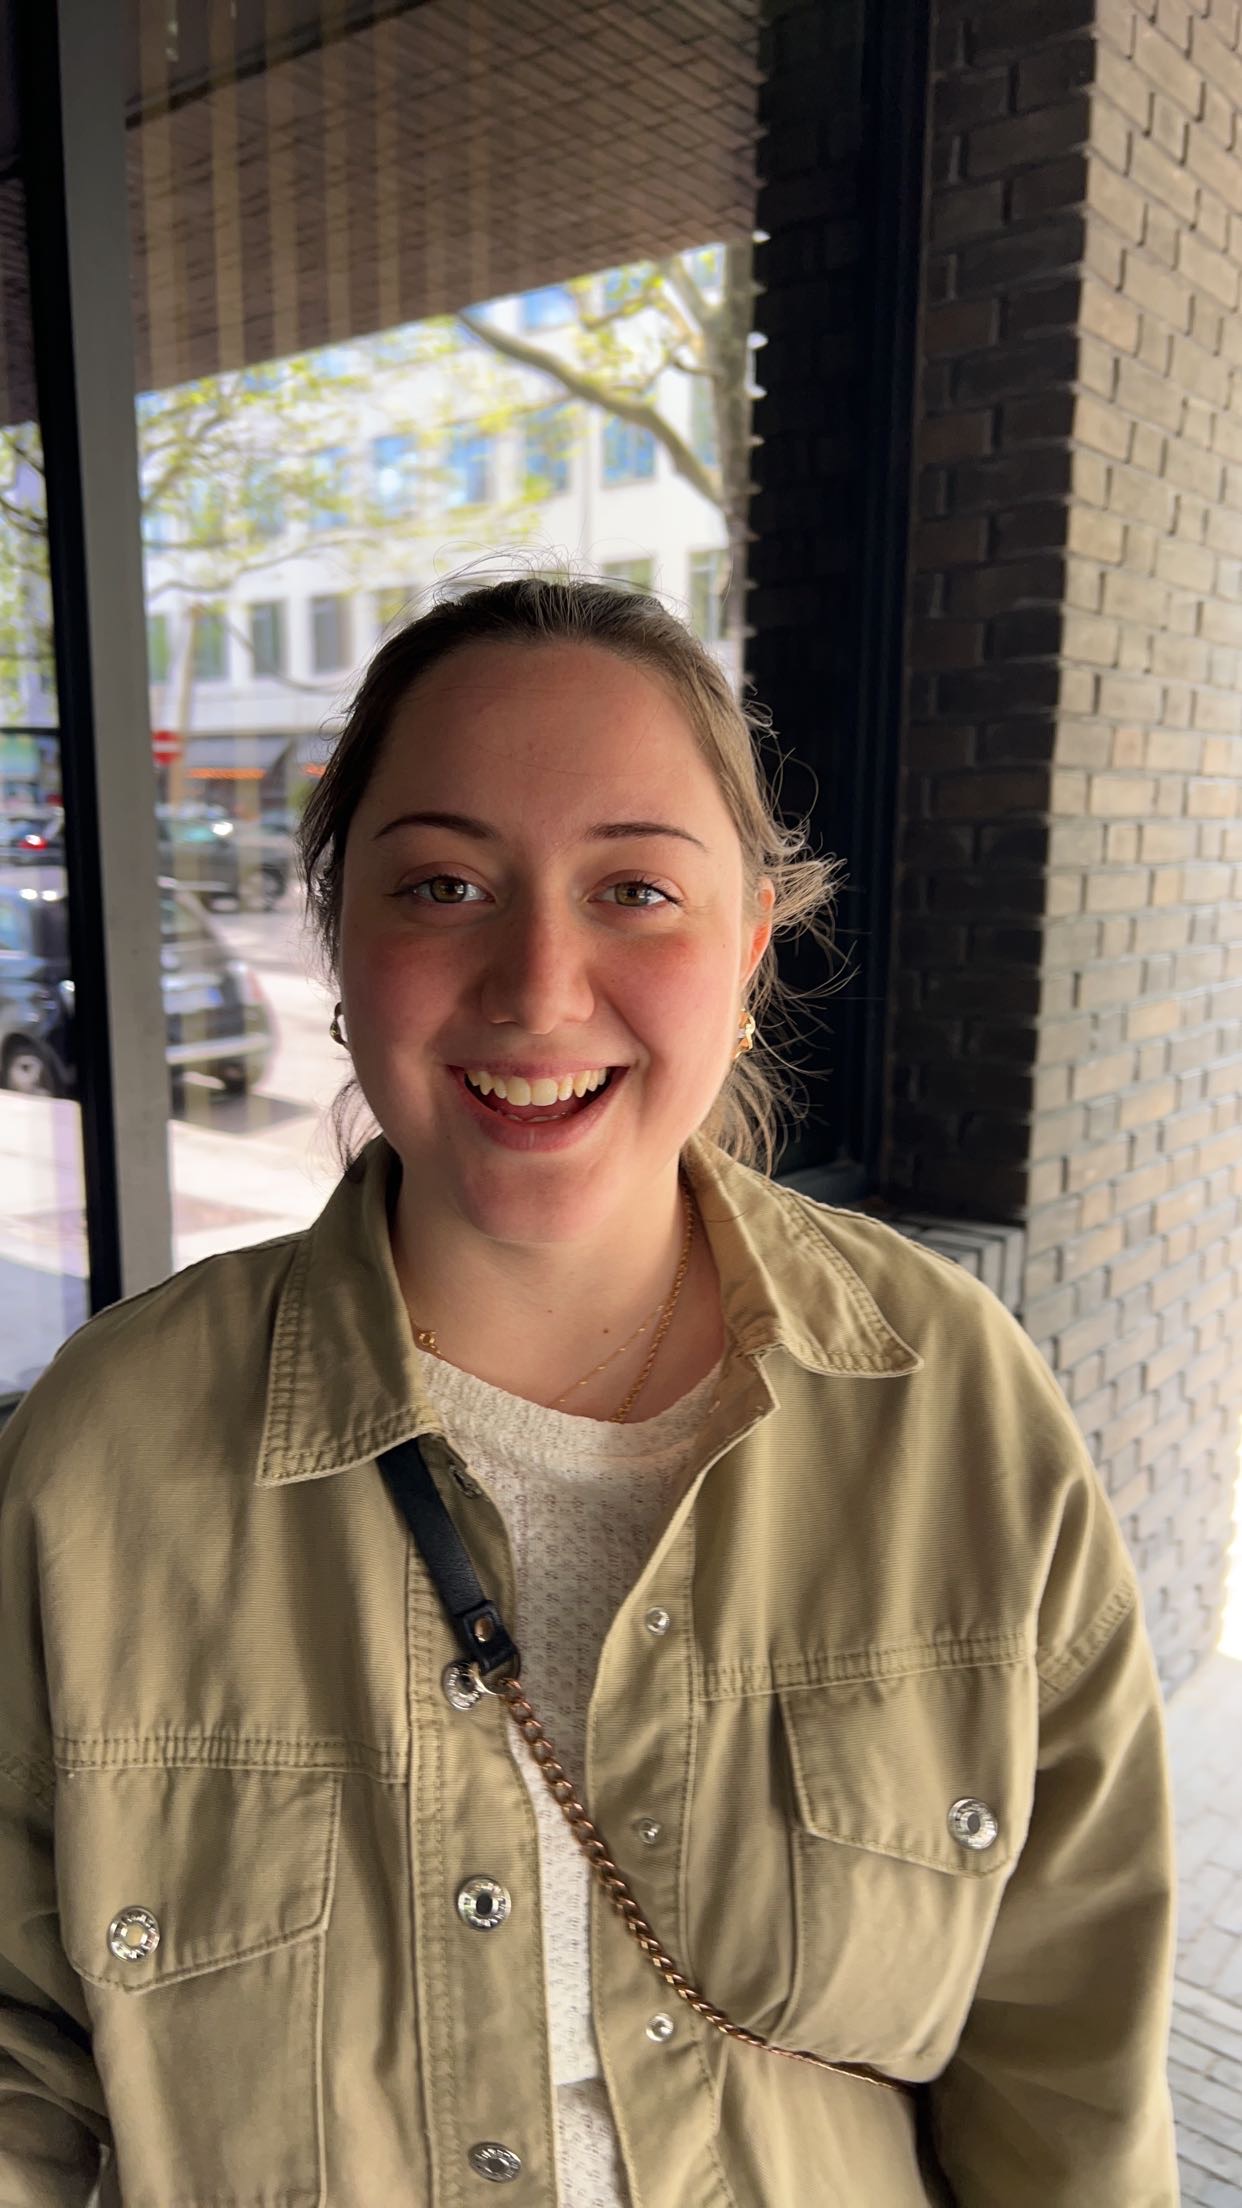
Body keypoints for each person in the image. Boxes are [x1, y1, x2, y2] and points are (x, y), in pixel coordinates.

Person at [0, 578, 1177, 2207]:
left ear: (746, 947)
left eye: (633, 888)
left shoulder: (946, 1399)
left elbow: (1070, 2066)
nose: (539, 985)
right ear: (340, 940)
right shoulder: (104, 1455)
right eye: (443, 885)